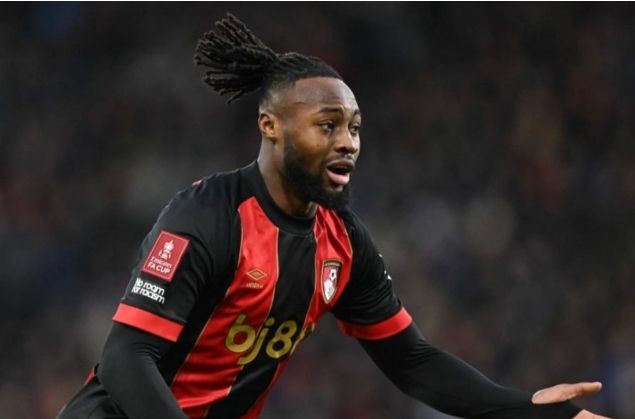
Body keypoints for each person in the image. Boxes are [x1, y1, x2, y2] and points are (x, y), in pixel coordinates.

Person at [58, 14, 608, 419]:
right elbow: (127, 358)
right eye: (328, 125)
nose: (348, 142)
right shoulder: (206, 216)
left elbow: (412, 362)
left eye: (355, 127)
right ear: (271, 127)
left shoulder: (342, 242)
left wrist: (533, 412)